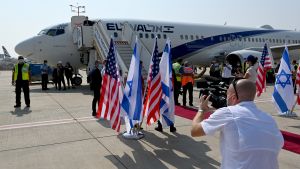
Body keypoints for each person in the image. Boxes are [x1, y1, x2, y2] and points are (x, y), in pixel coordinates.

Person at [191, 79, 284, 169]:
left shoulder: (227, 113)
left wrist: (201, 110)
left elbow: (195, 131)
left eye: (227, 94)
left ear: (234, 97)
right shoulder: (268, 118)